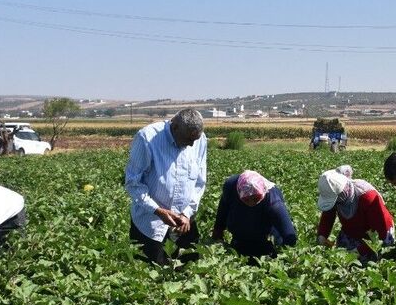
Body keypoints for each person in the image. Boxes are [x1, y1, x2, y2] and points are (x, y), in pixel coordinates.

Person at [124, 108, 209, 266]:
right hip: (150, 223)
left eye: (195, 140)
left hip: (184, 222)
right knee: (149, 273)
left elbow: (199, 181)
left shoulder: (199, 139)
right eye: (188, 139)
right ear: (174, 126)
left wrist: (187, 213)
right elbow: (133, 182)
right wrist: (158, 211)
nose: (192, 144)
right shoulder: (147, 138)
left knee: (189, 269)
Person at [212, 170, 298, 259]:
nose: (251, 203)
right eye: (246, 199)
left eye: (256, 198)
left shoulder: (273, 201)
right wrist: (217, 233)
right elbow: (222, 209)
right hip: (239, 238)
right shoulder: (231, 186)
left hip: (265, 239)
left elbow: (289, 236)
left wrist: (283, 257)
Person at [316, 167, 395, 261]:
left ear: (341, 193)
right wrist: (322, 236)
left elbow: (384, 231)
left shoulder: (367, 197)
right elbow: (328, 215)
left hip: (372, 239)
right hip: (350, 233)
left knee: (368, 259)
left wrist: (359, 251)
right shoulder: (337, 196)